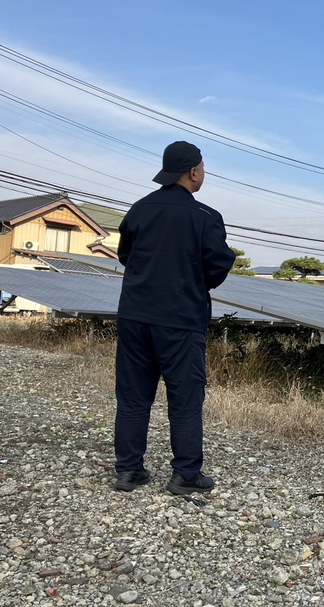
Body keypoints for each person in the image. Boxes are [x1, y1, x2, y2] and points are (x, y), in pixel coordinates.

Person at [113, 141, 236, 494]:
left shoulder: (138, 210)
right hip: (181, 319)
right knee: (185, 398)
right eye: (203, 168)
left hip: (135, 315)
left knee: (134, 397)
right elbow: (217, 267)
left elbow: (126, 256)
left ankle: (129, 471)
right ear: (194, 171)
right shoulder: (204, 217)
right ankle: (185, 474)